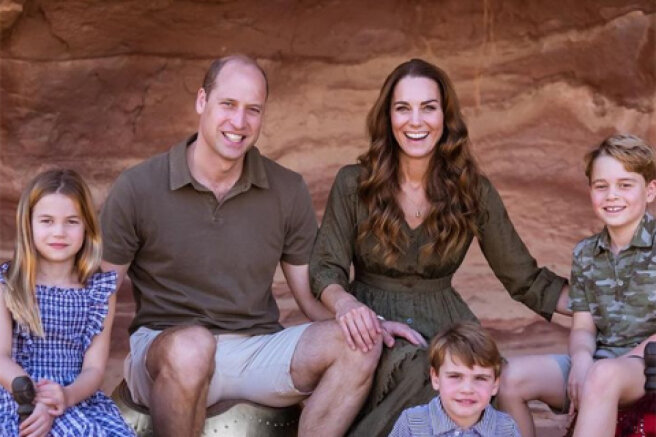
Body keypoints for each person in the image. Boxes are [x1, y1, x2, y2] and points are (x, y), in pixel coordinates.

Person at [100, 54, 380, 437]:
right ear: (202, 102)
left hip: (254, 351)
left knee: (360, 345)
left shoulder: (286, 188)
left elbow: (309, 297)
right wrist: (80, 377)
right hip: (166, 351)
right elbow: (98, 295)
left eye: (253, 110)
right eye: (228, 104)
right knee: (193, 347)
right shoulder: (138, 187)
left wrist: (363, 321)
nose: (240, 122)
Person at [309, 57, 570, 436]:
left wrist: (604, 304)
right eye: (403, 108)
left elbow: (525, 279)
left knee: (472, 376)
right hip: (375, 328)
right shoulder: (354, 183)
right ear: (388, 118)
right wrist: (348, 306)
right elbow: (325, 268)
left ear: (445, 117)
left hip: (447, 321)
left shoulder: (472, 190)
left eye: (428, 108)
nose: (416, 121)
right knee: (424, 372)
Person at [497, 134, 656, 437]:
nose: (612, 195)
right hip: (600, 360)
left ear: (649, 191)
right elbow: (584, 327)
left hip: (646, 364)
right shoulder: (585, 253)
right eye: (601, 186)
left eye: (625, 185)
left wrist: (605, 368)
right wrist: (582, 362)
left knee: (603, 376)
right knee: (509, 378)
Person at [0, 169, 134, 437]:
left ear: (87, 226)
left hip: (74, 398)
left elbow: (94, 369)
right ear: (28, 225)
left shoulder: (99, 291)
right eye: (47, 221)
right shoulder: (8, 286)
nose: (59, 232)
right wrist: (33, 399)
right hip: (16, 396)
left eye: (72, 221)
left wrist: (65, 396)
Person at [389, 322, 520, 437]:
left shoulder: (505, 428)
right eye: (455, 376)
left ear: (495, 385)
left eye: (480, 378)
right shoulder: (412, 423)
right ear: (435, 378)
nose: (467, 389)